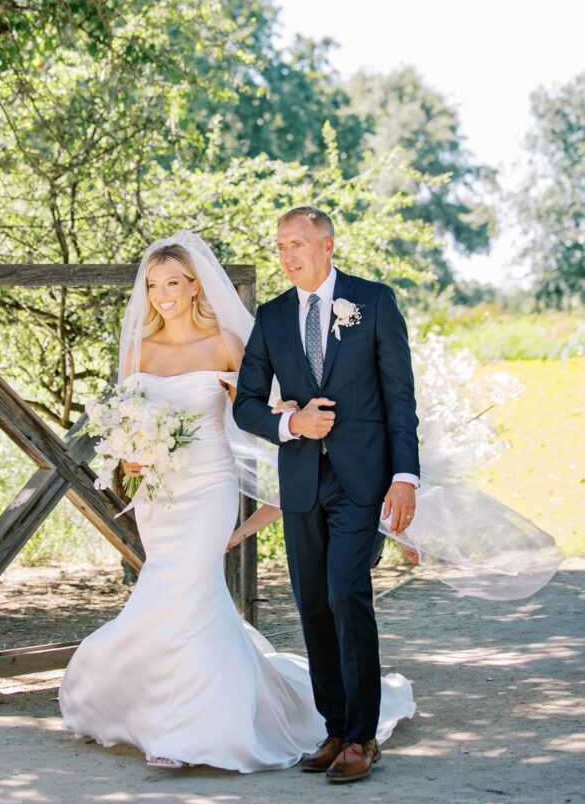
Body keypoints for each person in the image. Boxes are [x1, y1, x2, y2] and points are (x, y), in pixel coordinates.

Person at [58, 232, 415, 774]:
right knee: (168, 591)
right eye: (152, 286)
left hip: (209, 486)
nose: (161, 295)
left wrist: (293, 423)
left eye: (171, 283)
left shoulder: (226, 341)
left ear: (195, 286)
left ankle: (186, 731)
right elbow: (125, 420)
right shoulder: (137, 350)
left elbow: (257, 409)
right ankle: (161, 712)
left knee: (193, 589)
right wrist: (129, 457)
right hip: (158, 496)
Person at [233, 206, 420, 783]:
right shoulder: (271, 317)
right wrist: (292, 424)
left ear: (327, 245)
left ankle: (363, 737)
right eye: (280, 246)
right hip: (302, 482)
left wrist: (406, 477)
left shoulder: (374, 302)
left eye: (297, 243)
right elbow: (245, 404)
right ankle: (334, 729)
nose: (287, 255)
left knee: (346, 593)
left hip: (361, 479)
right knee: (313, 604)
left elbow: (400, 398)